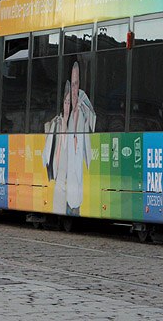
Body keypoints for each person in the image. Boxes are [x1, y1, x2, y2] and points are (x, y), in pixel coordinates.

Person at [65, 62, 95, 216]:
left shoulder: (84, 104)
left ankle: (76, 207)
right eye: (73, 84)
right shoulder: (67, 107)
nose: (74, 89)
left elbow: (93, 122)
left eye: (76, 84)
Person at [43, 82, 72, 213]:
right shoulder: (57, 122)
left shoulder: (75, 125)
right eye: (65, 103)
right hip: (59, 176)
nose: (67, 106)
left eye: (69, 103)